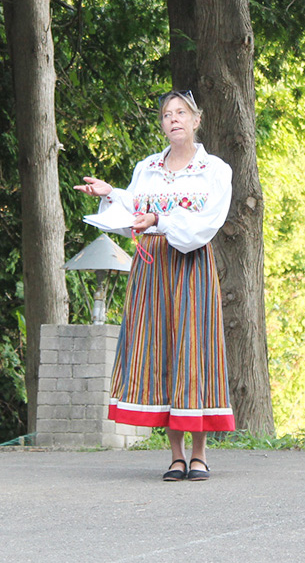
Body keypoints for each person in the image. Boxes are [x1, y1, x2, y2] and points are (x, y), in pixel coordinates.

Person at [75, 90, 234, 482]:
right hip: (152, 266)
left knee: (192, 352)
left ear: (196, 120)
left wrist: (159, 221)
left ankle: (200, 453)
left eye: (181, 112)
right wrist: (110, 193)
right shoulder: (146, 168)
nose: (173, 119)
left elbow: (206, 223)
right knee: (161, 350)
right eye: (166, 114)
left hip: (190, 264)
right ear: (162, 124)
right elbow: (134, 207)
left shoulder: (215, 170)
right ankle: (176, 455)